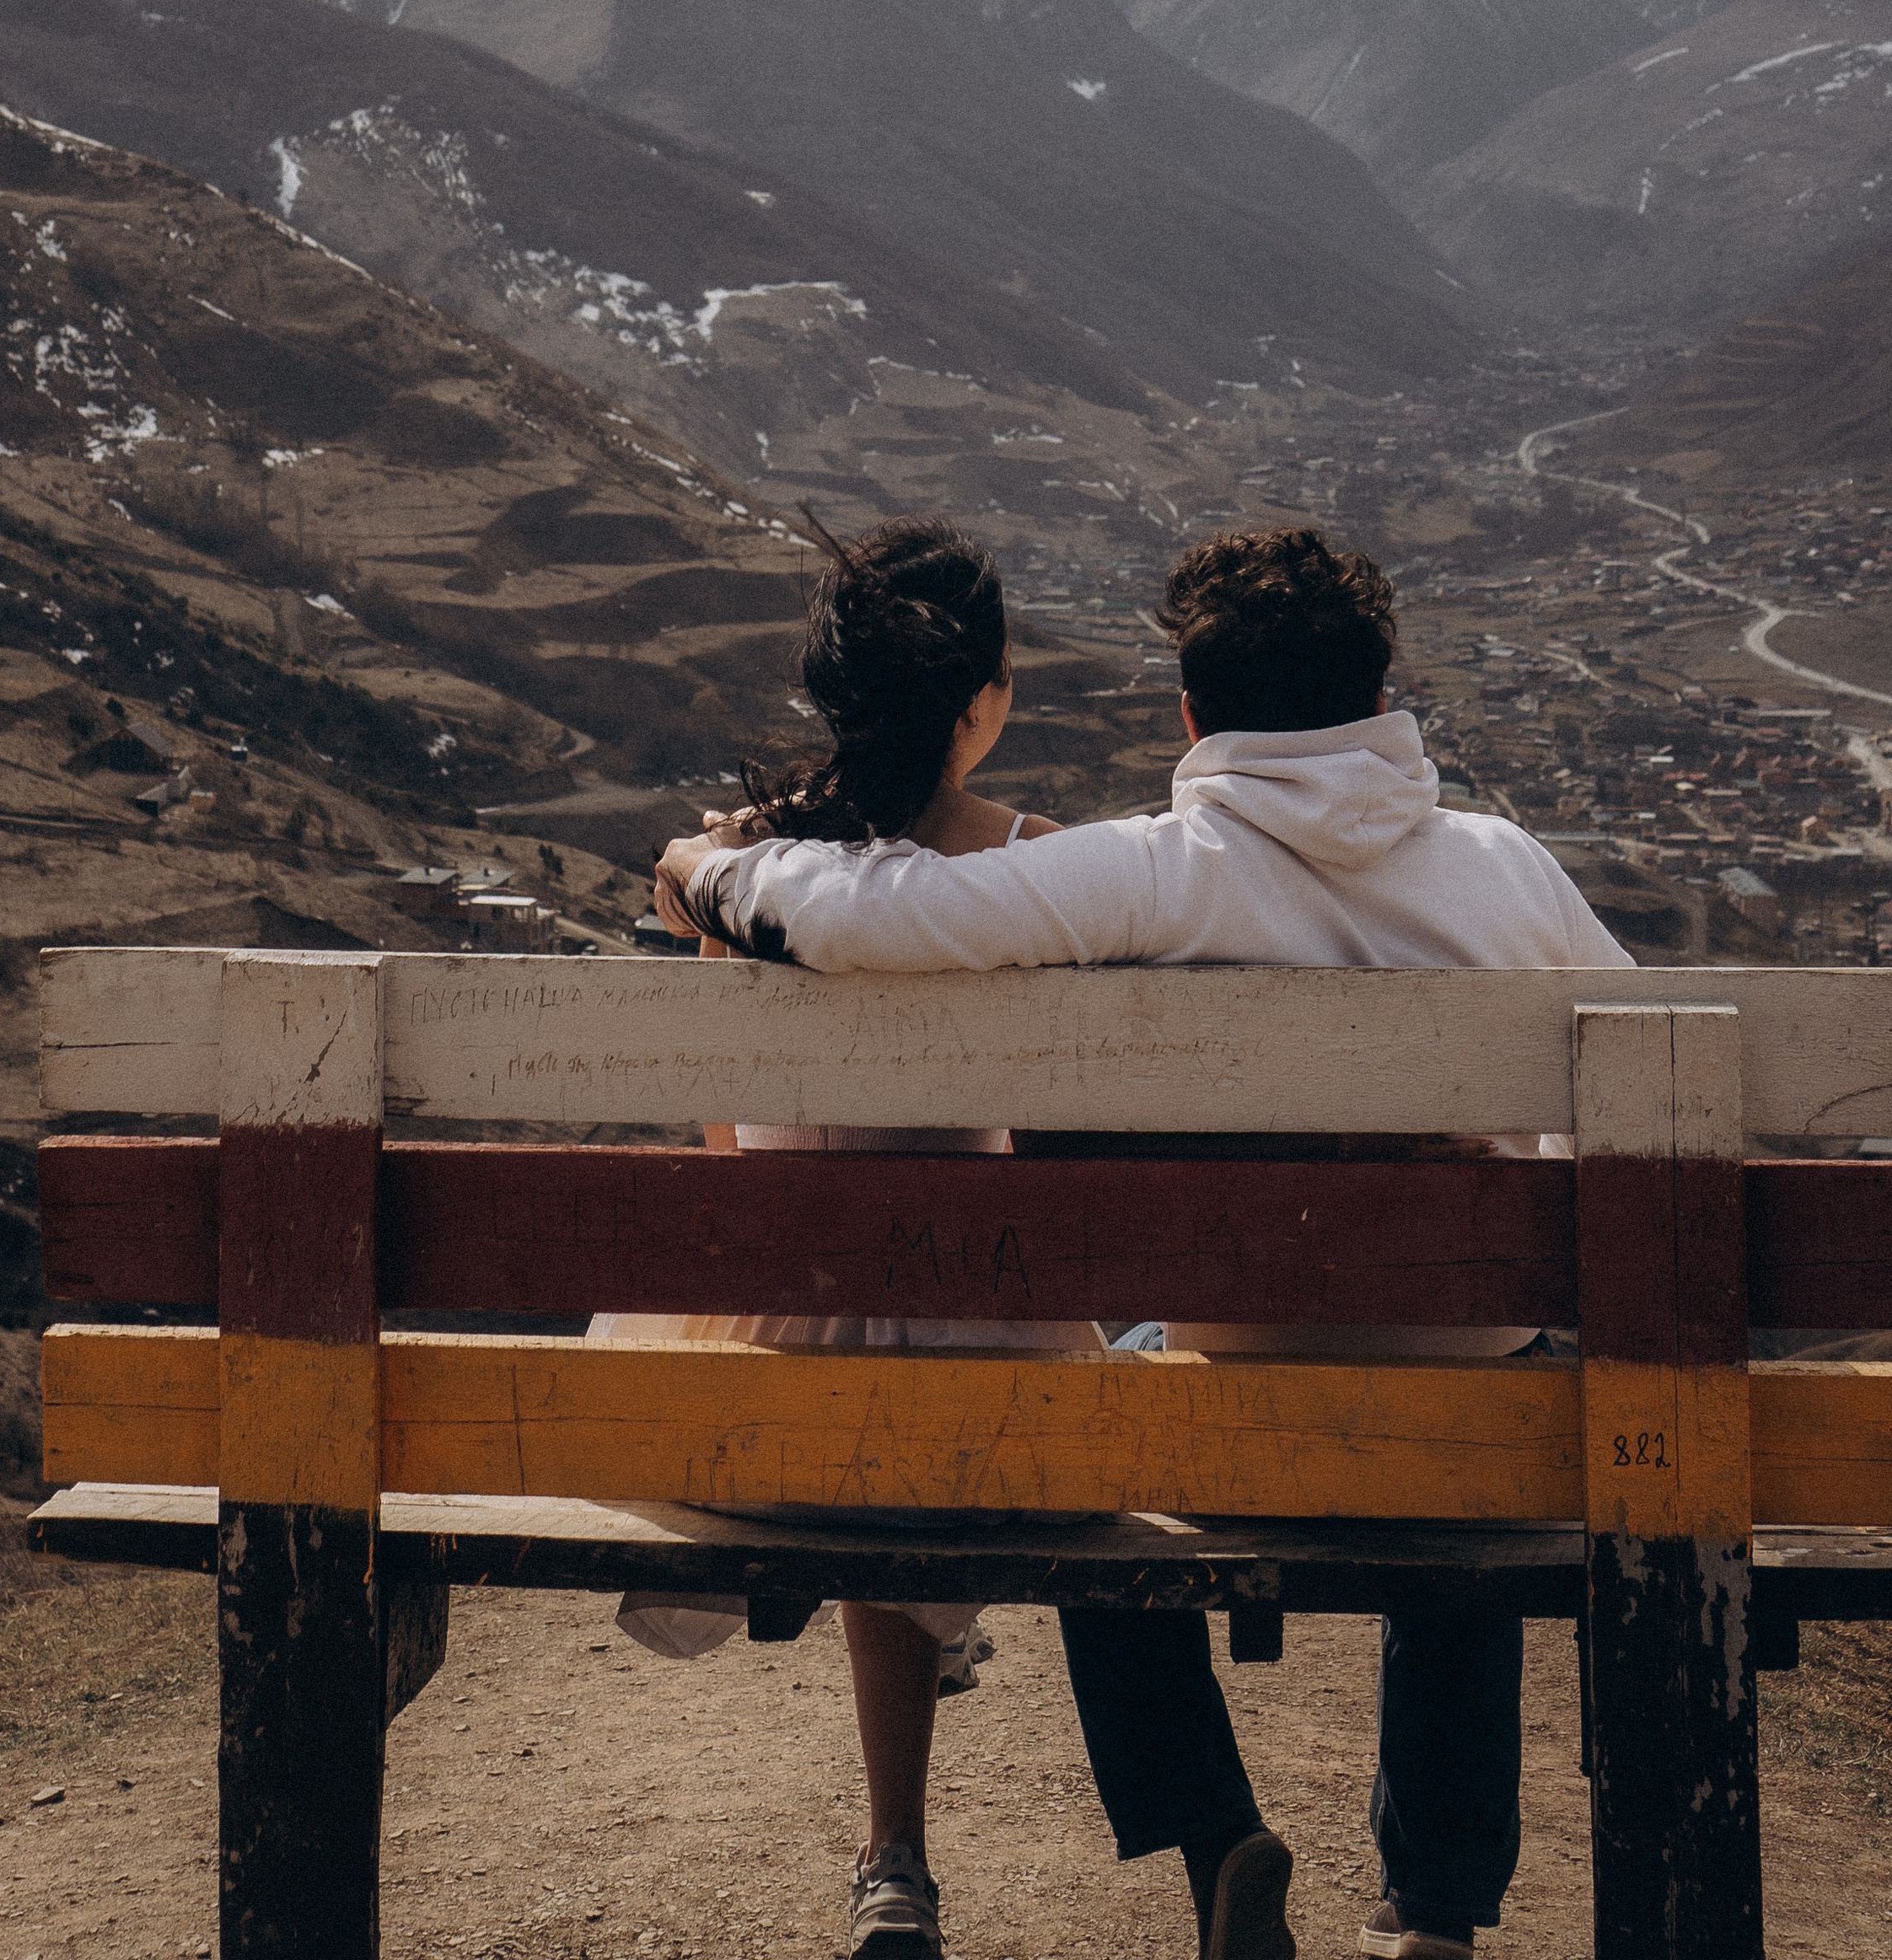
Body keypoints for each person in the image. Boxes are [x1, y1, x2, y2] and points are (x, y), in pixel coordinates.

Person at [658, 526, 1631, 1960]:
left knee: (1099, 1405)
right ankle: (1434, 1916)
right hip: (1473, 1406)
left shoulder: (1155, 875)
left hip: (1247, 1387)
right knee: (1471, 1415)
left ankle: (1189, 1819)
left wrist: (707, 873)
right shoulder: (1508, 869)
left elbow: (875, 912)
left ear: (1192, 719)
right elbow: (1657, 1097)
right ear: (1383, 698)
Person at [601, 517, 1200, 1960]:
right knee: (1078, 1376)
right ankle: (1214, 1835)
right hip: (991, 1349)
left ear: (834, 692)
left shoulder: (743, 870)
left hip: (778, 1361)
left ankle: (896, 1863)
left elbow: (723, 1136)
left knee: (876, 1379)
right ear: (982, 700)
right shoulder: (1028, 863)